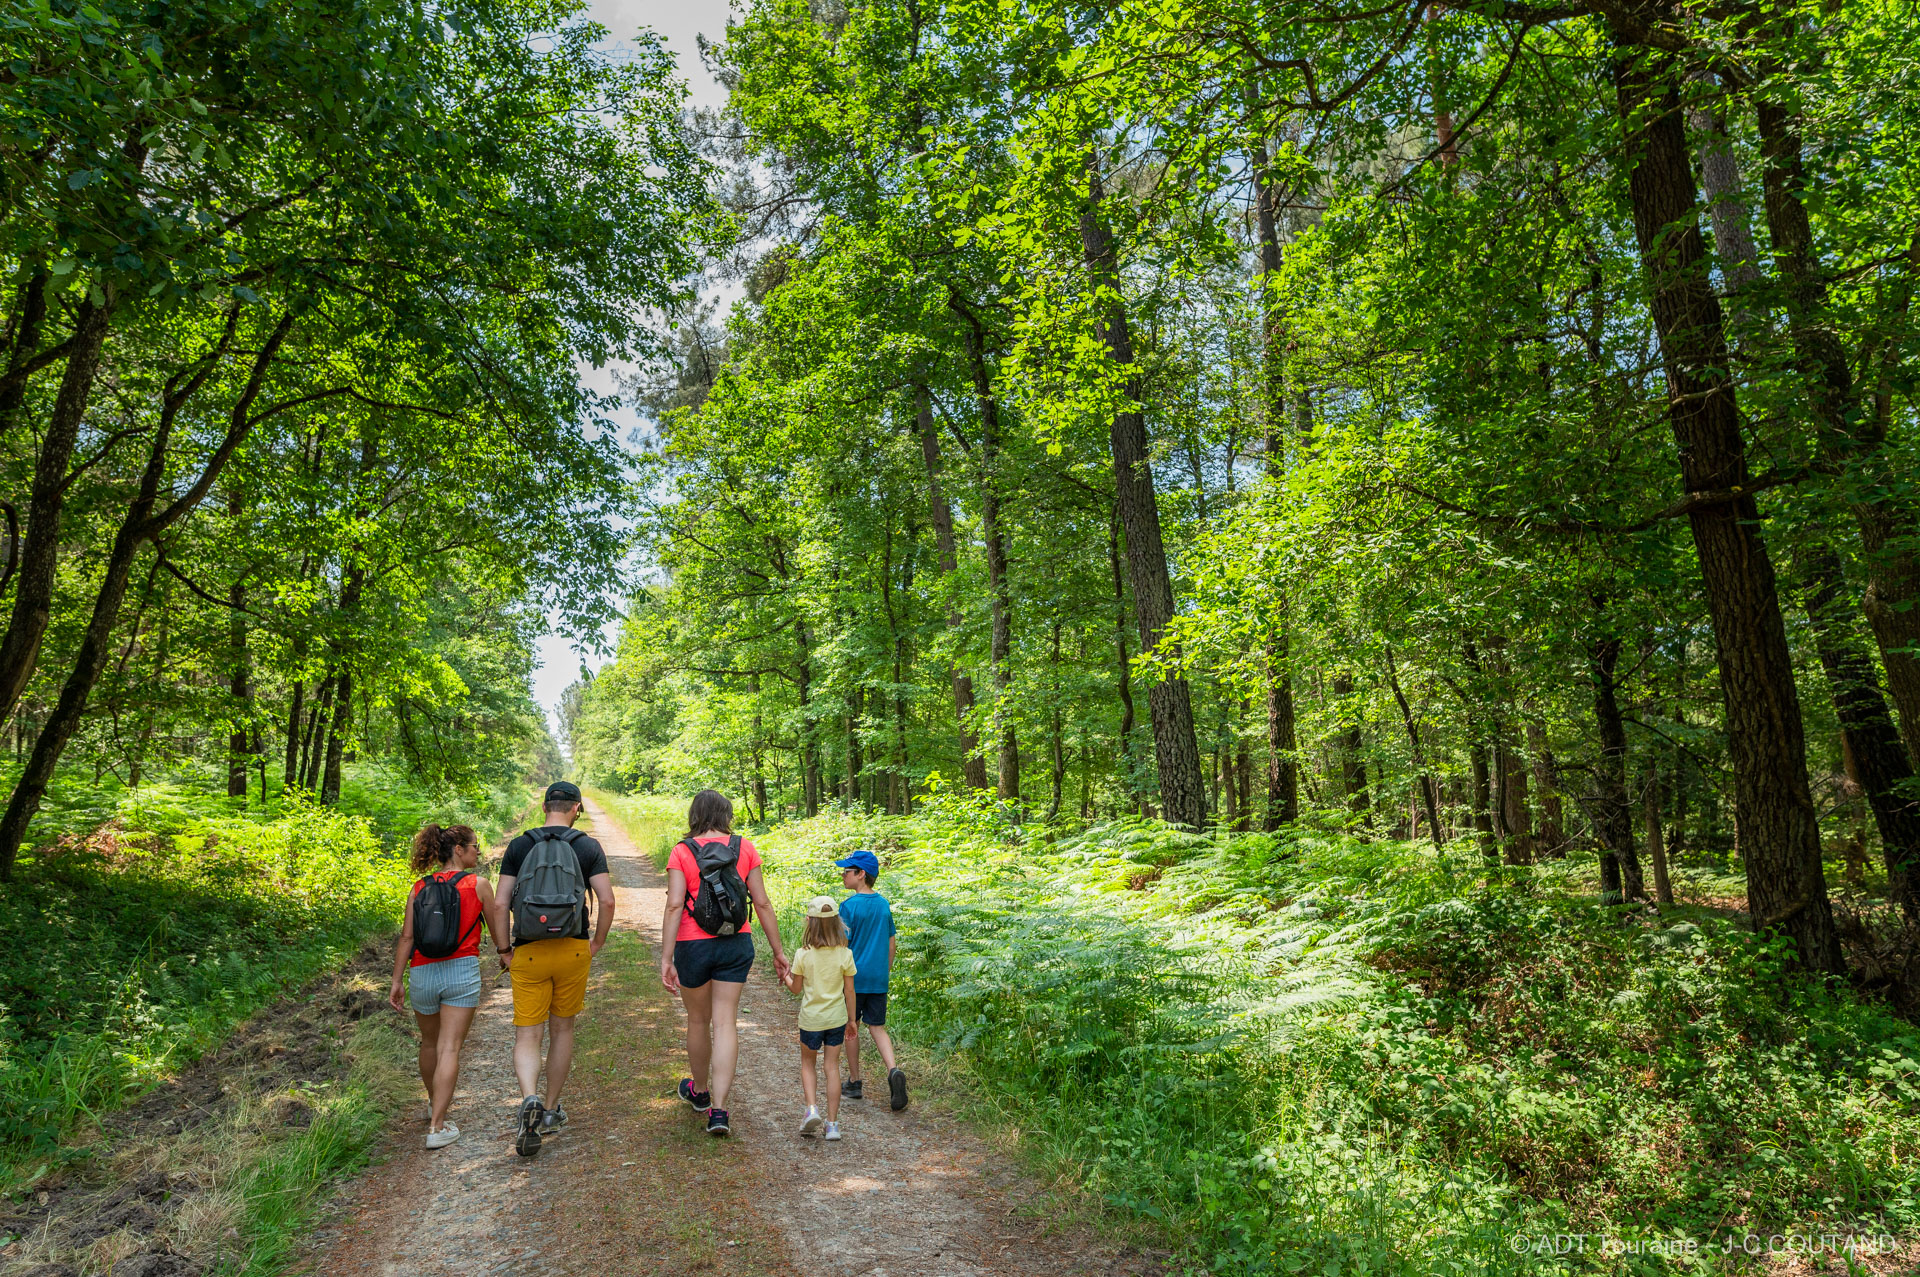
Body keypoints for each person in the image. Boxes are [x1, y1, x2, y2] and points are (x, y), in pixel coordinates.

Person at [494, 780, 614, 1157]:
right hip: (573, 950)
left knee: (528, 1035)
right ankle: (548, 1111)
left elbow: (499, 906)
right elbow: (607, 901)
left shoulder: (520, 844)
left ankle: (528, 1096)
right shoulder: (587, 846)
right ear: (576, 808)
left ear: (545, 806)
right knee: (562, 1029)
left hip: (528, 951)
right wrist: (596, 942)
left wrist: (504, 950)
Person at [659, 788, 788, 1137]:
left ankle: (699, 1092)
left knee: (698, 1021)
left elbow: (674, 906)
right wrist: (778, 951)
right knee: (726, 1023)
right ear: (726, 814)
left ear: (694, 814)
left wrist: (666, 957)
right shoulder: (743, 847)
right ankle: (719, 1111)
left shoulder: (681, 851)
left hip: (692, 944)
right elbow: (761, 903)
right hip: (736, 942)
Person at [388, 823, 510, 1149]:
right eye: (473, 847)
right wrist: (504, 953)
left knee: (429, 1044)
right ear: (459, 849)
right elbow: (497, 927)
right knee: (450, 1047)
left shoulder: (419, 887)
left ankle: (433, 1105)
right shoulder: (478, 884)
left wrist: (397, 981)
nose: (478, 852)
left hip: (423, 973)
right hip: (461, 971)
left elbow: (407, 938)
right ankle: (437, 1126)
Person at [834, 850, 908, 1111]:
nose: (843, 875)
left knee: (851, 1026)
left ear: (861, 874)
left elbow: (842, 944)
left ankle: (854, 1082)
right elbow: (891, 942)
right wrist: (884, 972)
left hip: (853, 979)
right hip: (878, 977)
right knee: (877, 1027)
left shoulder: (848, 906)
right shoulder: (883, 904)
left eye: (847, 871)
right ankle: (893, 1070)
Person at [783, 895, 857, 1140]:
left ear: (809, 922)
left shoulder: (803, 954)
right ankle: (833, 1124)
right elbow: (849, 991)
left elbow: (795, 989)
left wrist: (784, 976)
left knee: (808, 1064)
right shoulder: (845, 954)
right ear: (837, 922)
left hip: (811, 1019)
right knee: (832, 1067)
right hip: (836, 1019)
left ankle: (812, 1109)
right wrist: (852, 1020)